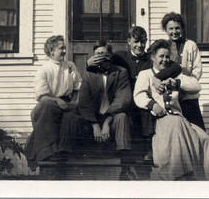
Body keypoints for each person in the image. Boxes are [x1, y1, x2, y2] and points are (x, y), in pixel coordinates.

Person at [133, 39, 209, 180]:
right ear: (153, 57)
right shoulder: (146, 74)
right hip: (159, 118)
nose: (165, 60)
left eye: (167, 56)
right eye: (161, 56)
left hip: (178, 117)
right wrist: (152, 104)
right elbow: (138, 95)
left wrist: (178, 82)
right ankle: (182, 175)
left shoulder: (175, 73)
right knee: (176, 125)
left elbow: (196, 86)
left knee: (204, 138)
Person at [77, 40, 135, 180]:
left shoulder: (121, 72)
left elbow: (123, 99)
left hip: (113, 117)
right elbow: (84, 102)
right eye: (97, 54)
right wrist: (95, 124)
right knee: (73, 119)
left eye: (103, 54)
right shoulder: (89, 75)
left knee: (122, 117)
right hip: (94, 118)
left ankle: (125, 168)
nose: (100, 57)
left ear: (110, 55)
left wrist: (107, 121)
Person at [25, 35, 81, 170]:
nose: (64, 51)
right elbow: (42, 97)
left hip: (66, 103)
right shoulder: (44, 70)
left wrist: (74, 102)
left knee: (70, 116)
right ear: (51, 51)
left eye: (64, 48)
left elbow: (78, 87)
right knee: (49, 107)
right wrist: (57, 100)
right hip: (48, 104)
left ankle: (59, 152)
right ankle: (47, 152)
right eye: (61, 48)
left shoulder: (70, 66)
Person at [161, 12, 206, 131]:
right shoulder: (164, 47)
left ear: (182, 28)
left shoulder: (190, 45)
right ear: (165, 29)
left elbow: (197, 69)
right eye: (170, 28)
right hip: (171, 96)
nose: (174, 31)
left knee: (196, 129)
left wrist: (186, 81)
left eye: (177, 28)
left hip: (189, 96)